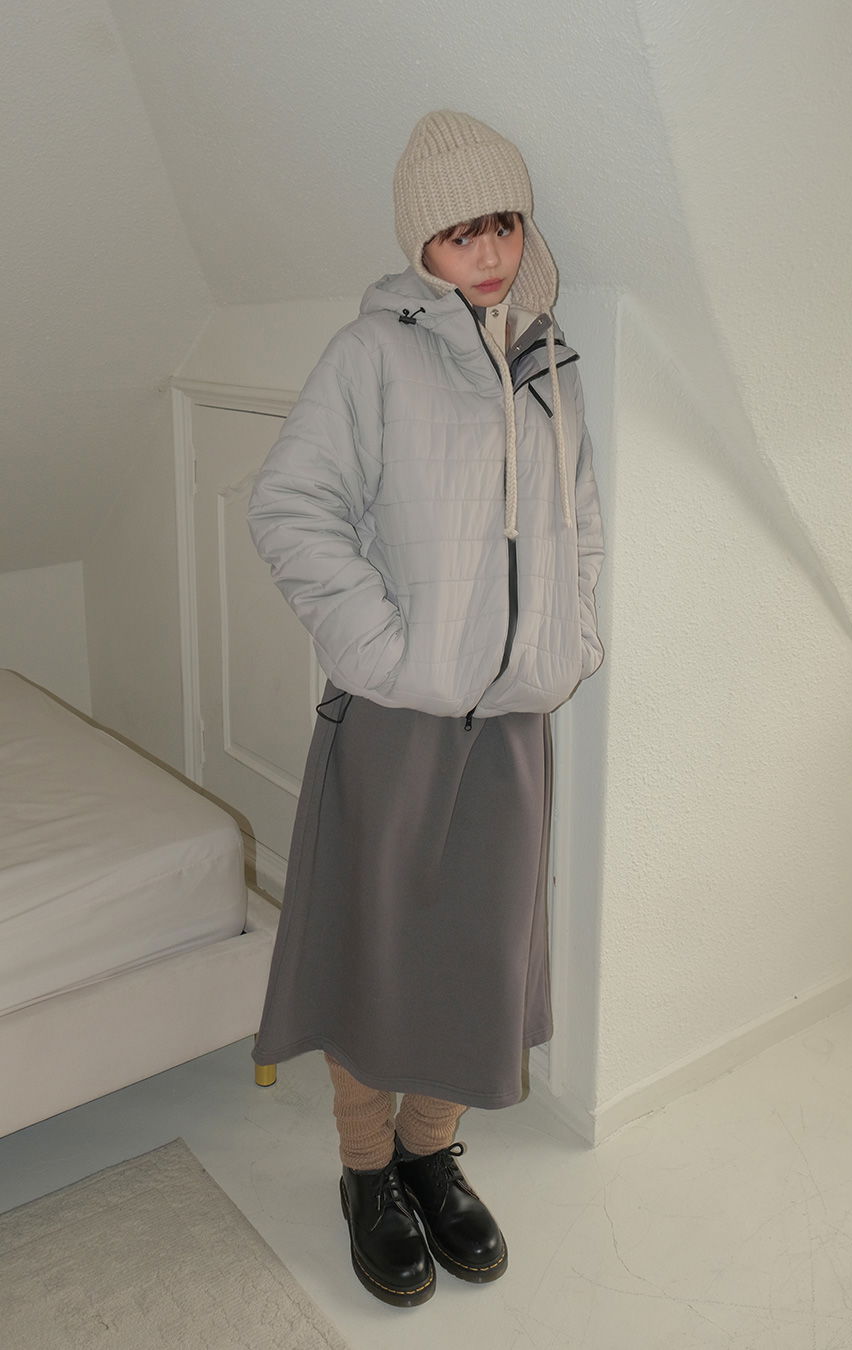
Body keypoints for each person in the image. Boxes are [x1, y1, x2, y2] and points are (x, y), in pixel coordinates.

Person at [246, 110, 605, 1308]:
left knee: (477, 955)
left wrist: (570, 642)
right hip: (399, 715)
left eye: (502, 224)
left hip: (513, 721)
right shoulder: (372, 356)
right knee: (377, 948)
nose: (488, 252)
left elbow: (580, 525)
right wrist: (385, 651)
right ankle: (366, 1171)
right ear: (421, 245)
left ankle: (427, 1154)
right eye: (460, 233)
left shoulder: (550, 366)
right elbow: (290, 507)